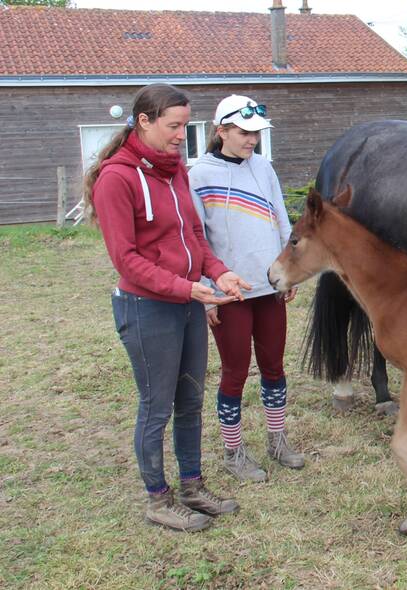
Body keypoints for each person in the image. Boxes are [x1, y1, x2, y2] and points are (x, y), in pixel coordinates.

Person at [83, 84, 251, 531]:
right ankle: (158, 499)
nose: (182, 135)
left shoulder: (175, 169)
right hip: (147, 308)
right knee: (157, 405)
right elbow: (126, 260)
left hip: (187, 302)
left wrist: (218, 272)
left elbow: (194, 234)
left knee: (191, 399)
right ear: (145, 121)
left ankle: (193, 486)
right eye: (174, 126)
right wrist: (184, 287)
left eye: (184, 125)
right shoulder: (116, 179)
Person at [188, 95, 303, 483]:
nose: (252, 140)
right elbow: (196, 237)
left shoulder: (264, 169)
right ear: (221, 131)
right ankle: (233, 451)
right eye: (244, 132)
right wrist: (206, 293)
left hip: (269, 288)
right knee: (235, 372)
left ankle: (277, 440)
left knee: (274, 367)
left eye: (256, 133)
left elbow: (282, 221)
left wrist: (290, 273)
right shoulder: (198, 175)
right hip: (228, 293)